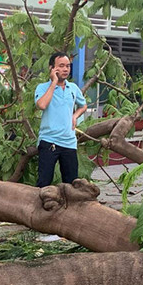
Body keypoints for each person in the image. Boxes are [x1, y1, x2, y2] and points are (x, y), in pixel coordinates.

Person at [34, 51, 88, 188]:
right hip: (49, 141)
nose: (65, 69)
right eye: (61, 66)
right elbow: (41, 105)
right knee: (44, 183)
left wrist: (75, 116)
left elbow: (83, 106)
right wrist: (54, 83)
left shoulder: (73, 88)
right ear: (52, 68)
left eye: (68, 66)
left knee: (71, 185)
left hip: (69, 142)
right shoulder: (42, 88)